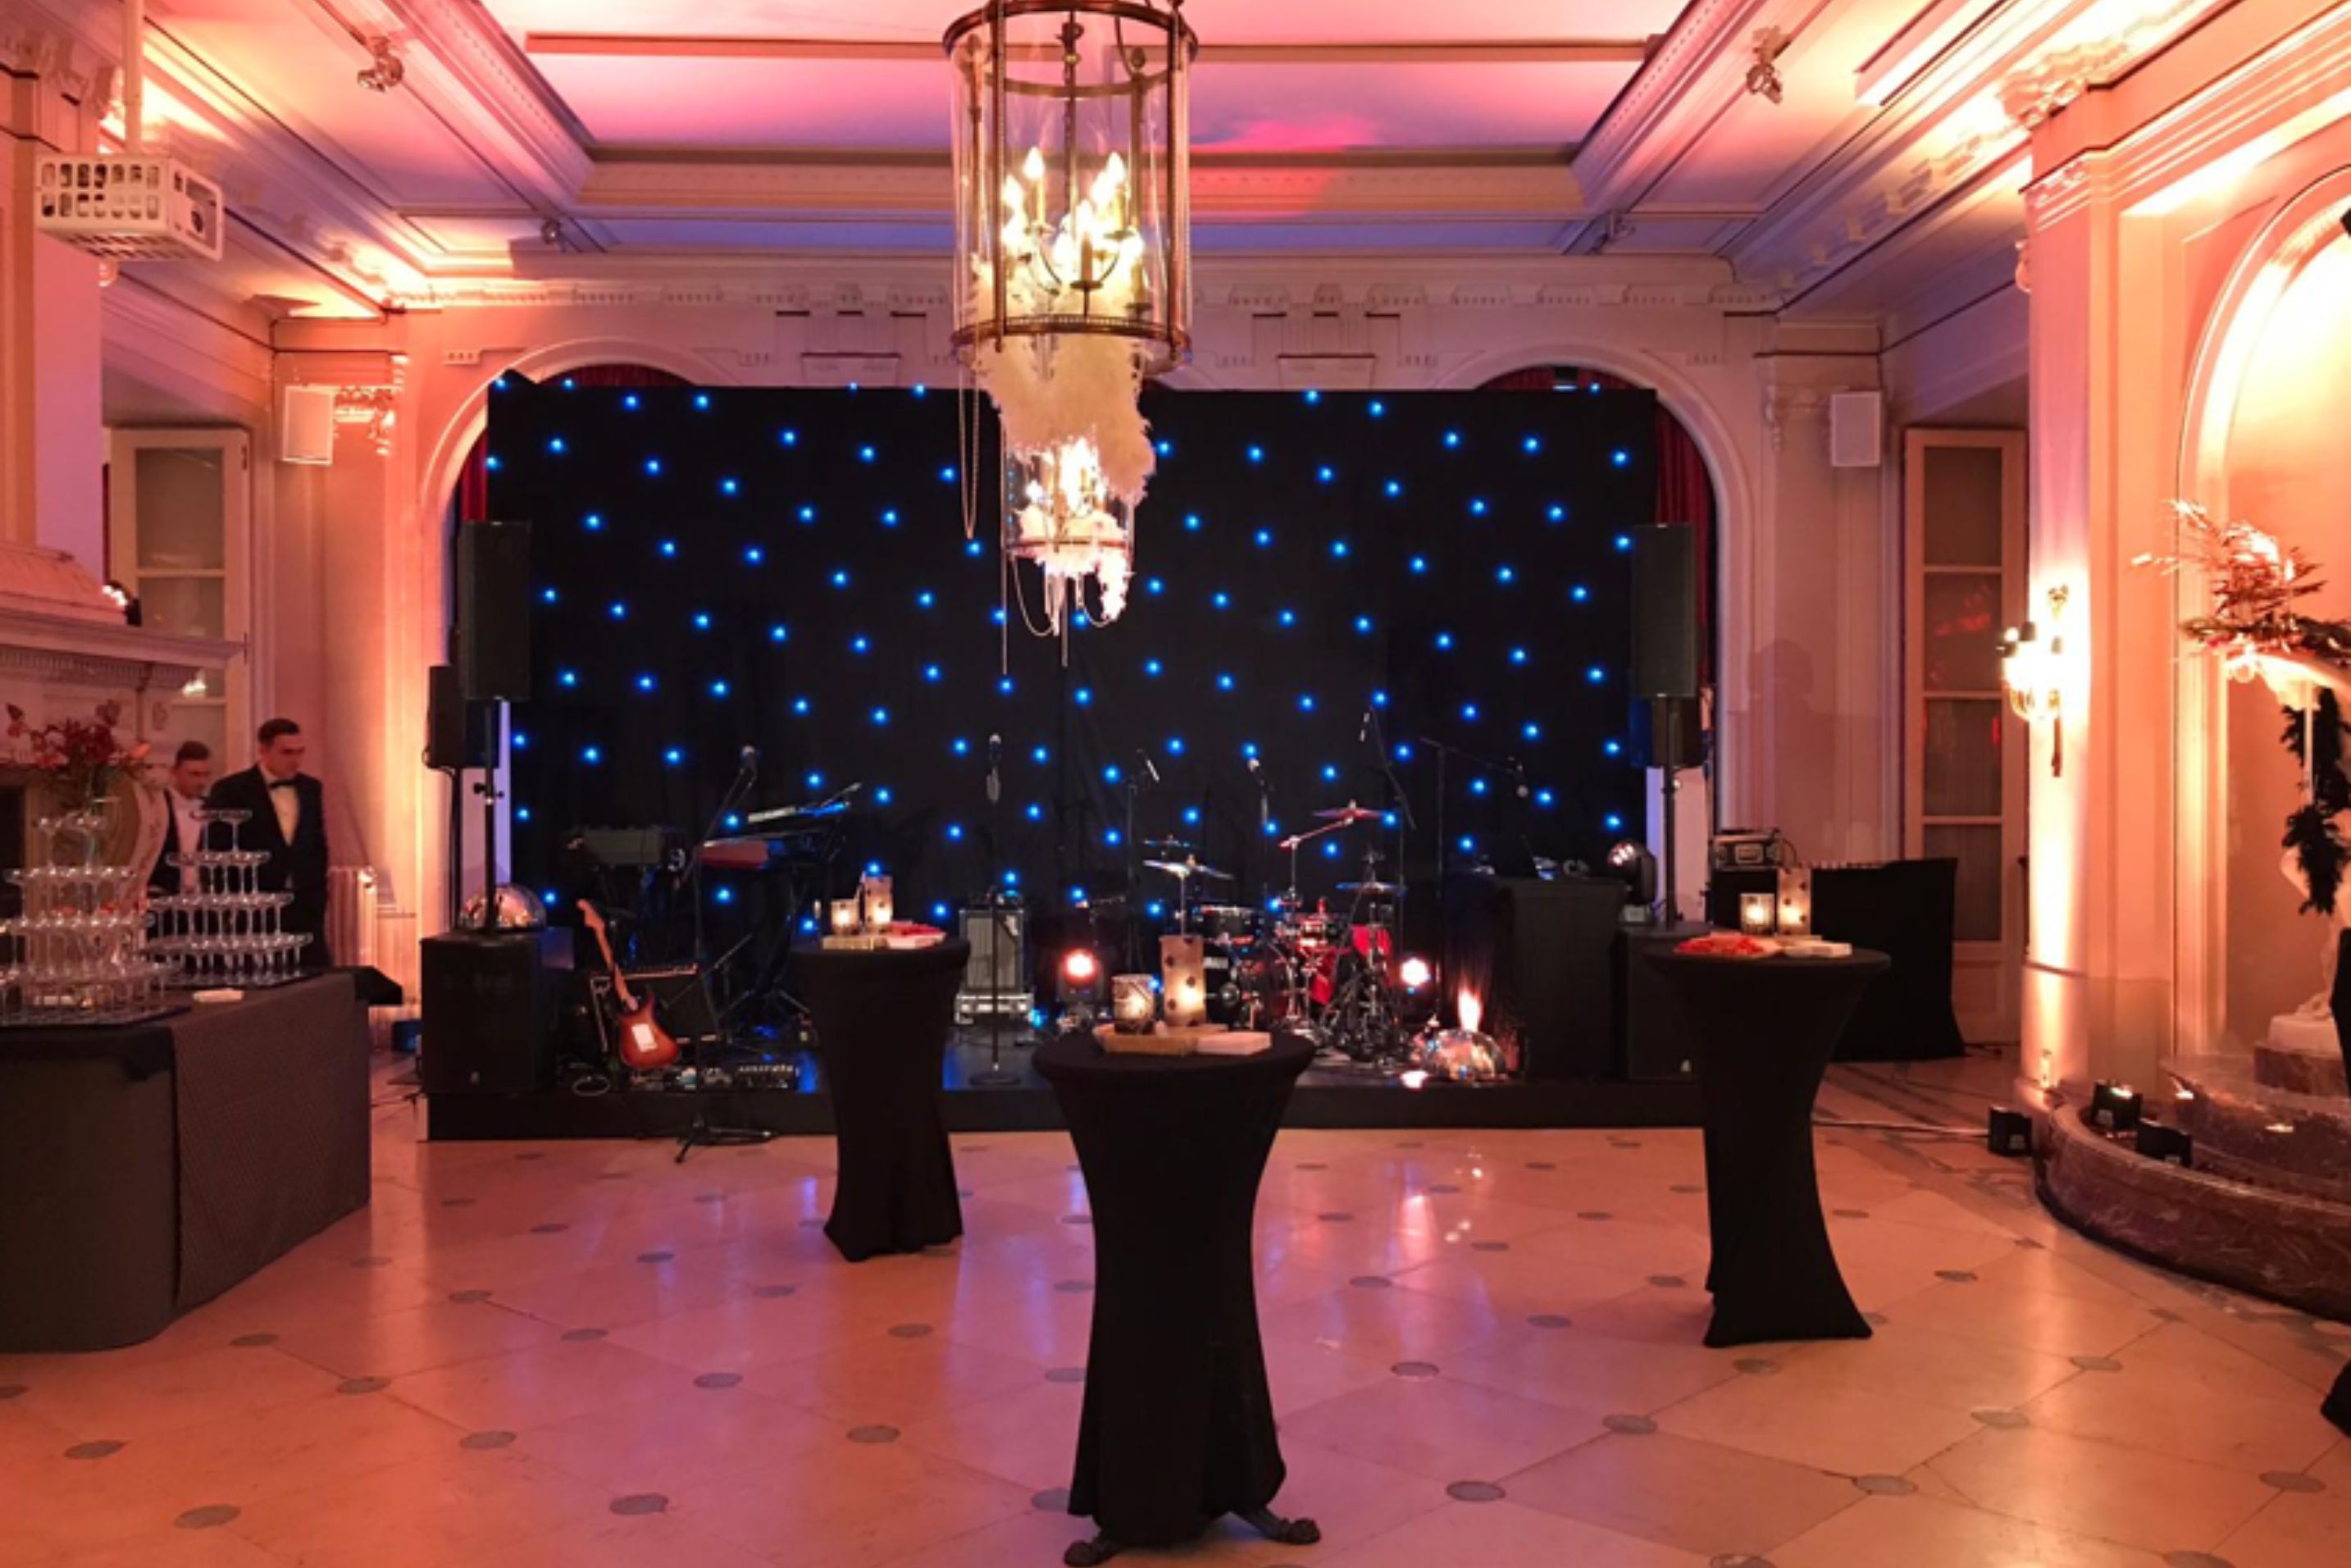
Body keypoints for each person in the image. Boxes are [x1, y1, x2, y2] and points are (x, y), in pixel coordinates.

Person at [207, 718, 331, 969]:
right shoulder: (231, 789)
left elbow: (317, 842)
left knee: (313, 973)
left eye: (300, 752)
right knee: (258, 972)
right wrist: (230, 905)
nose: (295, 760)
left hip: (303, 903)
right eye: (286, 752)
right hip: (253, 905)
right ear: (263, 750)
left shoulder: (311, 788)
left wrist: (318, 894)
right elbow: (218, 849)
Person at [148, 740, 216, 896]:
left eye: (206, 775)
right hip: (165, 894)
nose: (202, 782)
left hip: (204, 897)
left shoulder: (212, 808)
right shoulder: (157, 807)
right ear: (175, 772)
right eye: (194, 774)